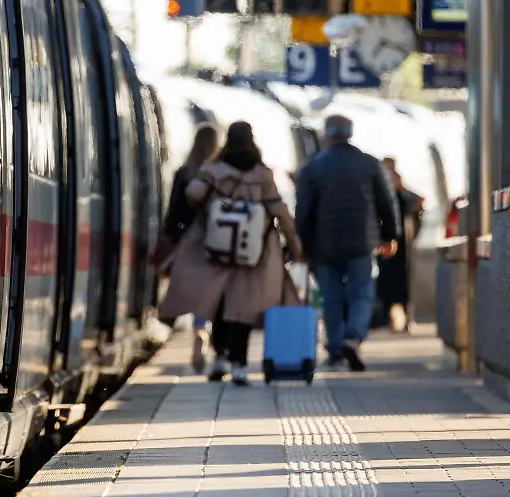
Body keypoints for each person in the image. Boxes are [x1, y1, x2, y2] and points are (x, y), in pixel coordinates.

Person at [160, 121, 303, 385]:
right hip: (254, 253)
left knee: (221, 304)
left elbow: (193, 195)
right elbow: (280, 211)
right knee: (243, 309)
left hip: (218, 249)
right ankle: (239, 364)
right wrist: (295, 245)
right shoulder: (262, 174)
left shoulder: (213, 170)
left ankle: (220, 357)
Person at [295, 115, 400, 372]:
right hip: (361, 242)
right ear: (349, 133)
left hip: (323, 245)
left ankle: (334, 349)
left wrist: (301, 244)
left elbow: (304, 210)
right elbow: (386, 203)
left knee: (330, 296)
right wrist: (390, 235)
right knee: (361, 293)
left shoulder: (313, 166)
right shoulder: (369, 164)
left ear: (327, 135)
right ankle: (352, 338)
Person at [159, 123, 219, 372]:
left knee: (194, 288)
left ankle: (197, 329)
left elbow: (174, 212)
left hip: (189, 241)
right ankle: (202, 328)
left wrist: (172, 237)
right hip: (216, 241)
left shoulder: (184, 172)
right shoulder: (218, 173)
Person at [376, 157, 424, 333]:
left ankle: (405, 317)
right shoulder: (379, 190)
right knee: (386, 280)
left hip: (401, 244)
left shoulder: (404, 194)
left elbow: (416, 206)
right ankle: (387, 317)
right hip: (385, 243)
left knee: (403, 281)